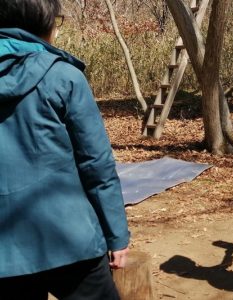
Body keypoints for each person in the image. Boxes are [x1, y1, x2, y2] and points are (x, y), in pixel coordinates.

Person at [0, 0, 131, 298]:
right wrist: (117, 235)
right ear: (44, 23)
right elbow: (96, 164)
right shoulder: (63, 77)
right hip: (70, 242)